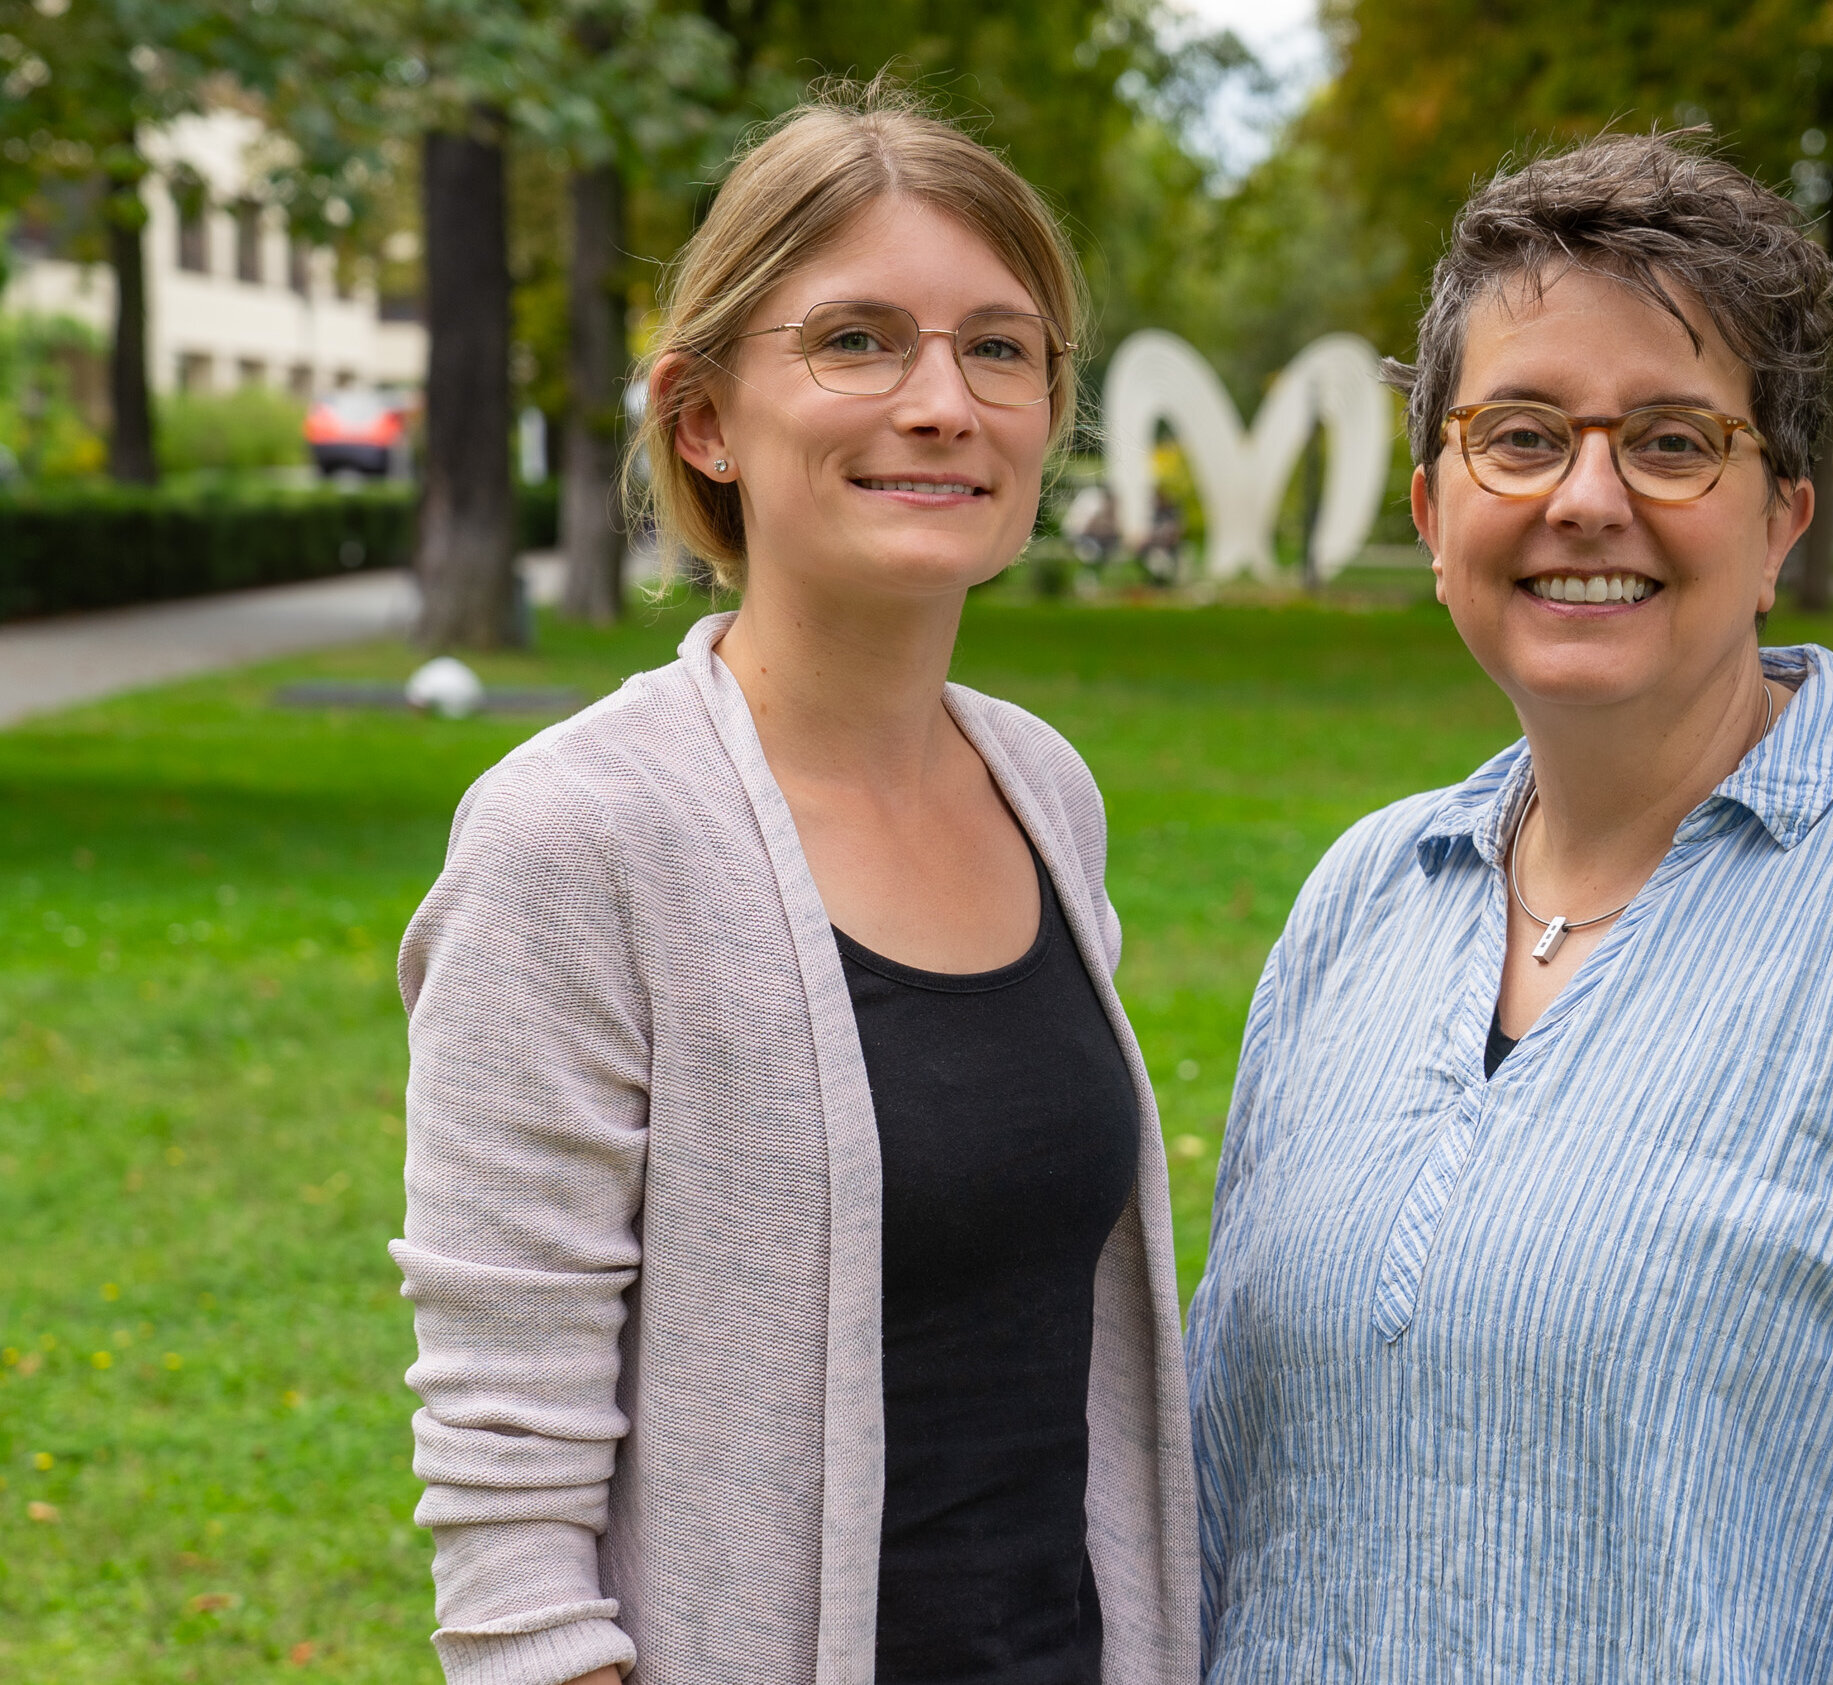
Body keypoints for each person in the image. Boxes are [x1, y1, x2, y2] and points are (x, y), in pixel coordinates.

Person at [1188, 132, 1833, 1680]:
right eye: (1521, 435)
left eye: (1672, 442)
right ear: (1430, 508)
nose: (1586, 498)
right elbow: (1223, 1510)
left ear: (1780, 522)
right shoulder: (1365, 899)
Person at [392, 88, 1197, 1685]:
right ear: (701, 417)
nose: (941, 400)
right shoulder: (573, 834)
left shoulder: (1044, 790)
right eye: (856, 340)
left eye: (998, 346)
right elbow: (508, 1496)